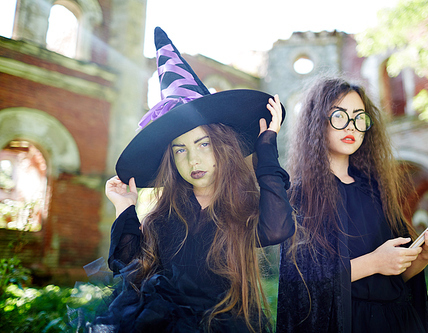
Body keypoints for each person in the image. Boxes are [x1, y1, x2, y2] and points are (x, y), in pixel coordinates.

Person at [88, 27, 295, 333]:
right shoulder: (163, 216)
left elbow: (278, 228)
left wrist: (265, 148)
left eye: (203, 144)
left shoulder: (240, 209)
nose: (192, 160)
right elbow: (125, 266)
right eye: (180, 149)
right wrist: (125, 208)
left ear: (223, 148)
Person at [276, 76, 428, 333]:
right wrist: (374, 262)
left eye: (359, 117)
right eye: (339, 116)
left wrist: (427, 252)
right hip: (344, 324)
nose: (352, 126)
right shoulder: (300, 196)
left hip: (397, 322)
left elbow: (398, 276)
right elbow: (303, 285)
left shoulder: (377, 190)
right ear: (317, 122)